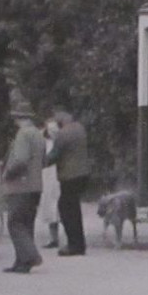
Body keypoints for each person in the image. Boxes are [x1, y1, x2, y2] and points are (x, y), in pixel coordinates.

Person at [1, 105, 48, 273]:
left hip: (20, 186)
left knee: (15, 223)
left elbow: (20, 160)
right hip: (36, 186)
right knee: (27, 224)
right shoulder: (38, 135)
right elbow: (44, 161)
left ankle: (31, 256)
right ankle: (21, 263)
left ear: (18, 118)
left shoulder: (23, 134)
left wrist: (7, 174)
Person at [49, 107, 92, 256]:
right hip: (83, 174)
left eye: (57, 120)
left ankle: (74, 245)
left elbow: (54, 155)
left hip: (70, 176)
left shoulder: (63, 134)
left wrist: (37, 163)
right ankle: (79, 244)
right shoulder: (80, 128)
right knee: (74, 208)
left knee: (66, 209)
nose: (56, 123)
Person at [39, 117, 62, 250]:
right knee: (49, 205)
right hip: (47, 176)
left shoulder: (59, 144)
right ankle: (53, 237)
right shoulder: (44, 142)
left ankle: (57, 237)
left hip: (56, 176)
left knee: (57, 206)